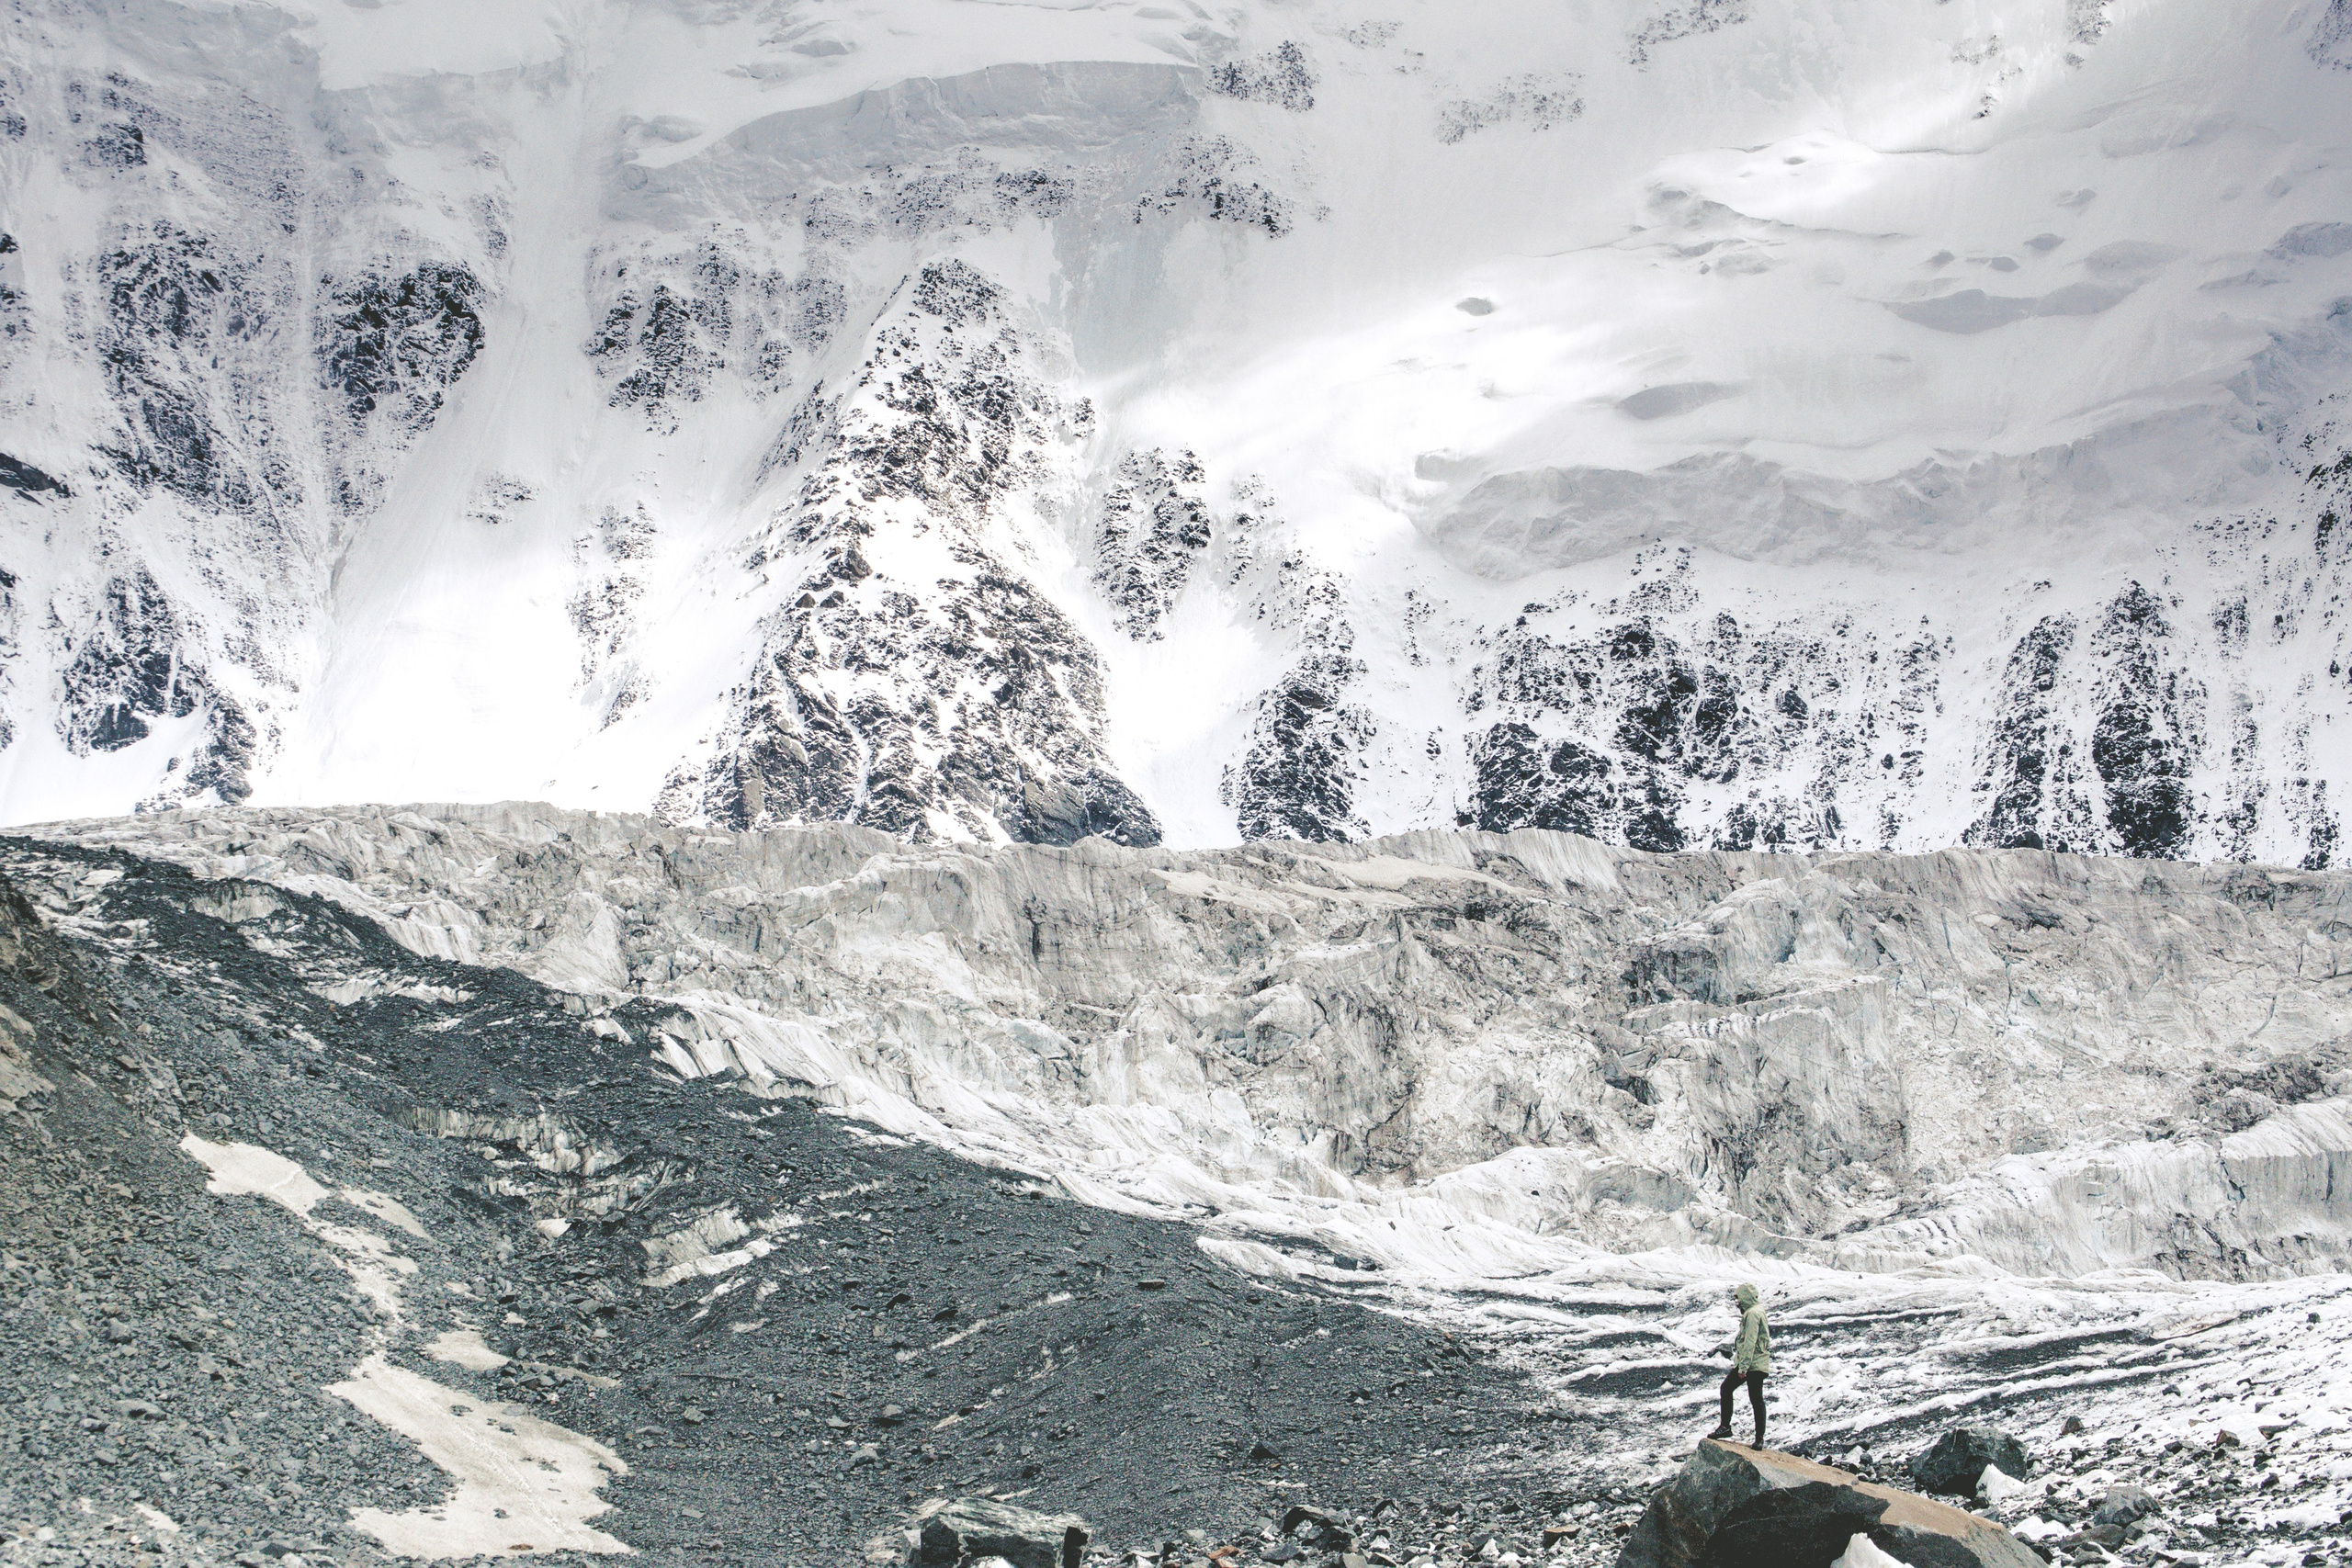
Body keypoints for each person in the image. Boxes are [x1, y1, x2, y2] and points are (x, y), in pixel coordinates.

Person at [1707, 1282, 1770, 1447]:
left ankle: (1725, 1427)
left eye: (1739, 1299)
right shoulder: (1758, 1311)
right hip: (1758, 1362)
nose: (1738, 1303)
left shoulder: (1751, 1314)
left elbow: (1750, 1341)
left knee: (1726, 1389)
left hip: (1751, 1364)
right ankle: (1759, 1439)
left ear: (1745, 1298)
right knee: (1757, 1399)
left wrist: (1743, 1368)